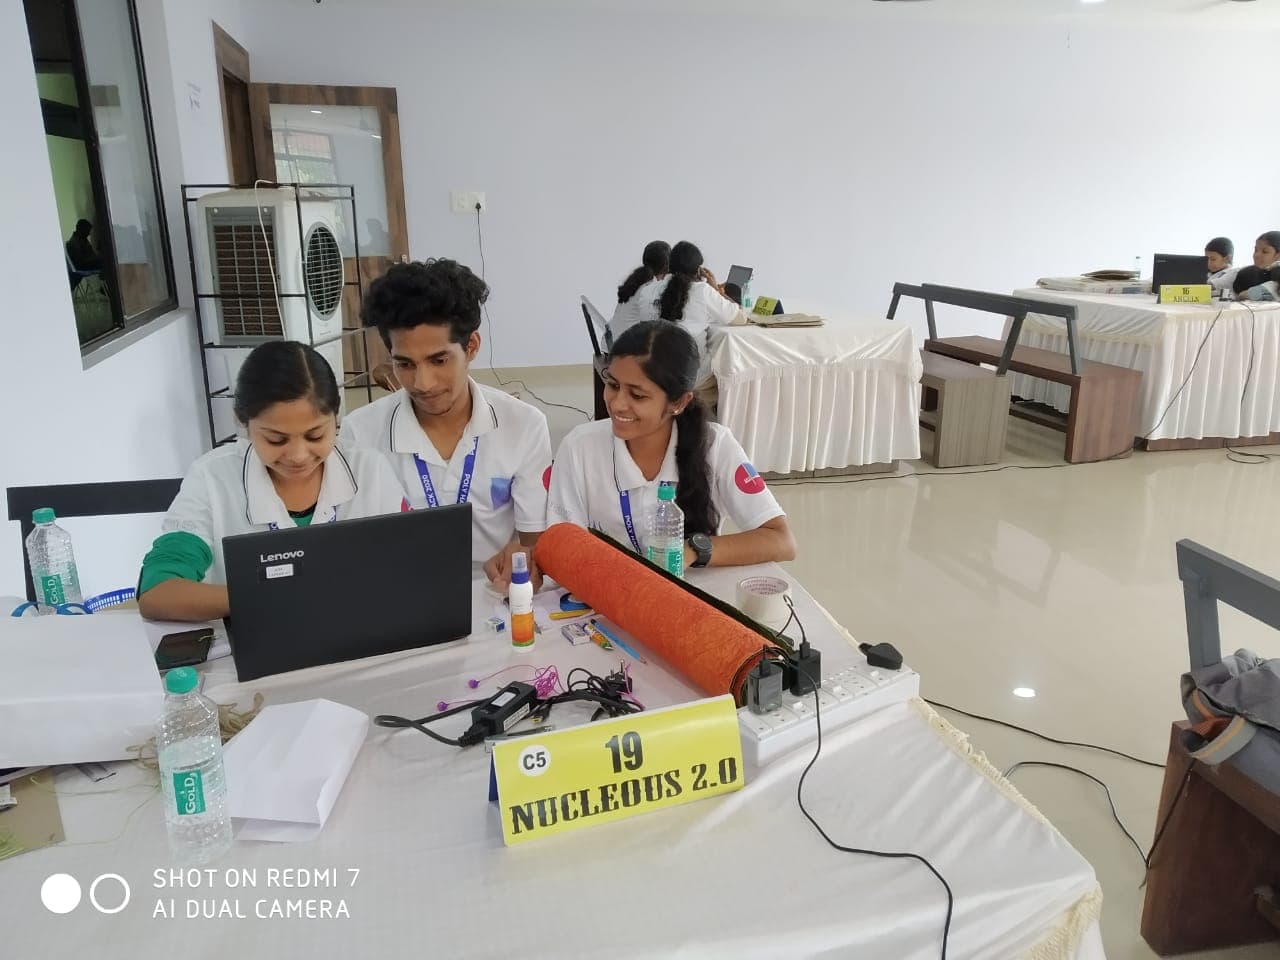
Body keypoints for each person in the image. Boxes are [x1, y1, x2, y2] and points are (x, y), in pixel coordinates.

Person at [137, 341, 407, 622]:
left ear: (335, 418)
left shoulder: (369, 469)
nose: (298, 456)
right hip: (256, 646)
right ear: (243, 422)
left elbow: (412, 560)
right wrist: (272, 597)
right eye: (276, 439)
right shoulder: (212, 478)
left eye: (315, 435)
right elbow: (157, 591)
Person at [341, 259, 552, 587]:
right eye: (405, 364)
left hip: (494, 594)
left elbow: (534, 544)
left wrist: (522, 560)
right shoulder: (361, 431)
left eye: (439, 360)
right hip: (400, 592)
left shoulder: (523, 425)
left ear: (471, 347)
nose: (422, 382)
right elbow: (354, 547)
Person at [548, 320, 796, 569]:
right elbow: (561, 545)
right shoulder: (579, 447)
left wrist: (692, 551)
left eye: (637, 395)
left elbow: (781, 541)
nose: (617, 404)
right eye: (613, 385)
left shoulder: (715, 445)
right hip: (608, 593)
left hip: (692, 593)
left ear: (679, 402)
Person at [631, 241, 745, 385]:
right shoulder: (702, 290)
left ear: (669, 265)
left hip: (657, 373)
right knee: (730, 368)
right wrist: (715, 288)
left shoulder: (648, 290)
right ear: (698, 270)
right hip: (692, 377)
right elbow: (739, 318)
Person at [609, 240, 670, 342]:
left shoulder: (637, 280)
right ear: (667, 266)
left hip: (614, 341)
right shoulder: (650, 288)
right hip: (626, 348)